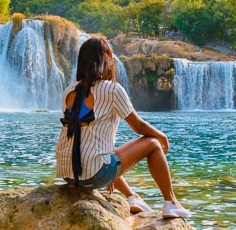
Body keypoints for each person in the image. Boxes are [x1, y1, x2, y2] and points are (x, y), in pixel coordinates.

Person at [55, 37, 191, 218]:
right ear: (106, 59)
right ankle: (171, 202)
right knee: (152, 142)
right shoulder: (112, 89)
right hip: (93, 174)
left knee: (106, 154)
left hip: (68, 173)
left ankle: (132, 196)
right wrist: (162, 136)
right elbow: (138, 126)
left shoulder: (69, 90)